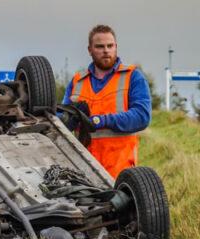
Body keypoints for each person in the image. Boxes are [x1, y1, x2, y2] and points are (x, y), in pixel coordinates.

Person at [62, 24, 151, 177]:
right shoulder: (77, 81)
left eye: (110, 46)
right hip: (83, 174)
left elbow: (142, 116)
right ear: (89, 50)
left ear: (116, 47)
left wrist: (99, 121)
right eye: (100, 46)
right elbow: (60, 121)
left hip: (120, 174)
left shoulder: (133, 76)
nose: (106, 50)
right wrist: (71, 118)